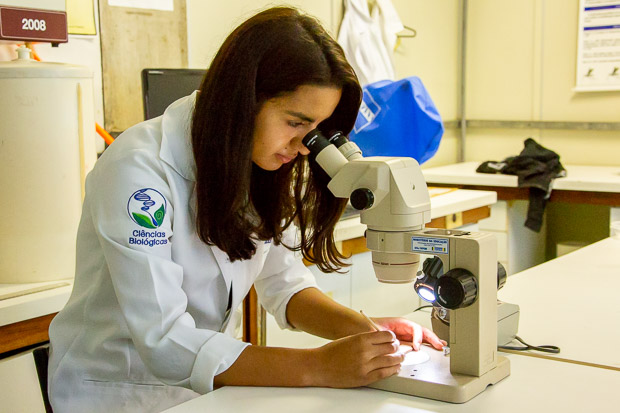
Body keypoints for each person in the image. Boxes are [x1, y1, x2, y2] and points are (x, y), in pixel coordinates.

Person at [48, 7, 445, 412]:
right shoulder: (138, 171)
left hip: (206, 394)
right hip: (116, 395)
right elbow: (164, 339)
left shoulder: (262, 164)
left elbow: (286, 286)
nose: (306, 146)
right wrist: (319, 366)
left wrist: (366, 333)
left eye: (316, 130)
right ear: (243, 100)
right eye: (295, 122)